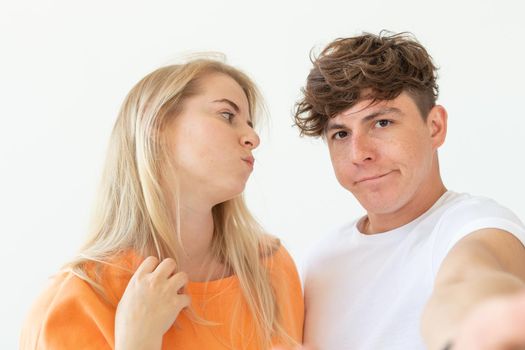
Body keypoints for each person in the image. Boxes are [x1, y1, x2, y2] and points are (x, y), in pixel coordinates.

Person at [21, 58, 304, 350]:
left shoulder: (271, 269)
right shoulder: (76, 301)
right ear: (157, 122)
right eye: (226, 115)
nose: (253, 138)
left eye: (250, 123)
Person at [293, 32, 525, 350]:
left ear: (435, 127)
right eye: (341, 133)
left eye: (382, 123)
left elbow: (468, 279)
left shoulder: (475, 224)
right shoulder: (320, 261)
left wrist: (480, 327)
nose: (359, 153)